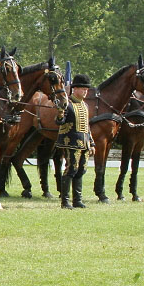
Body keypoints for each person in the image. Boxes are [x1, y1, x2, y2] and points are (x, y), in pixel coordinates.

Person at [56, 74, 95, 209]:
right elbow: (59, 121)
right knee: (71, 169)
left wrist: (92, 143)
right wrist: (60, 114)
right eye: (83, 89)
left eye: (86, 89)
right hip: (71, 142)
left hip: (84, 143)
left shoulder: (85, 105)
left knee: (81, 170)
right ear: (75, 89)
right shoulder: (68, 104)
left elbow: (87, 126)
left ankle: (77, 200)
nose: (85, 92)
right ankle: (65, 201)